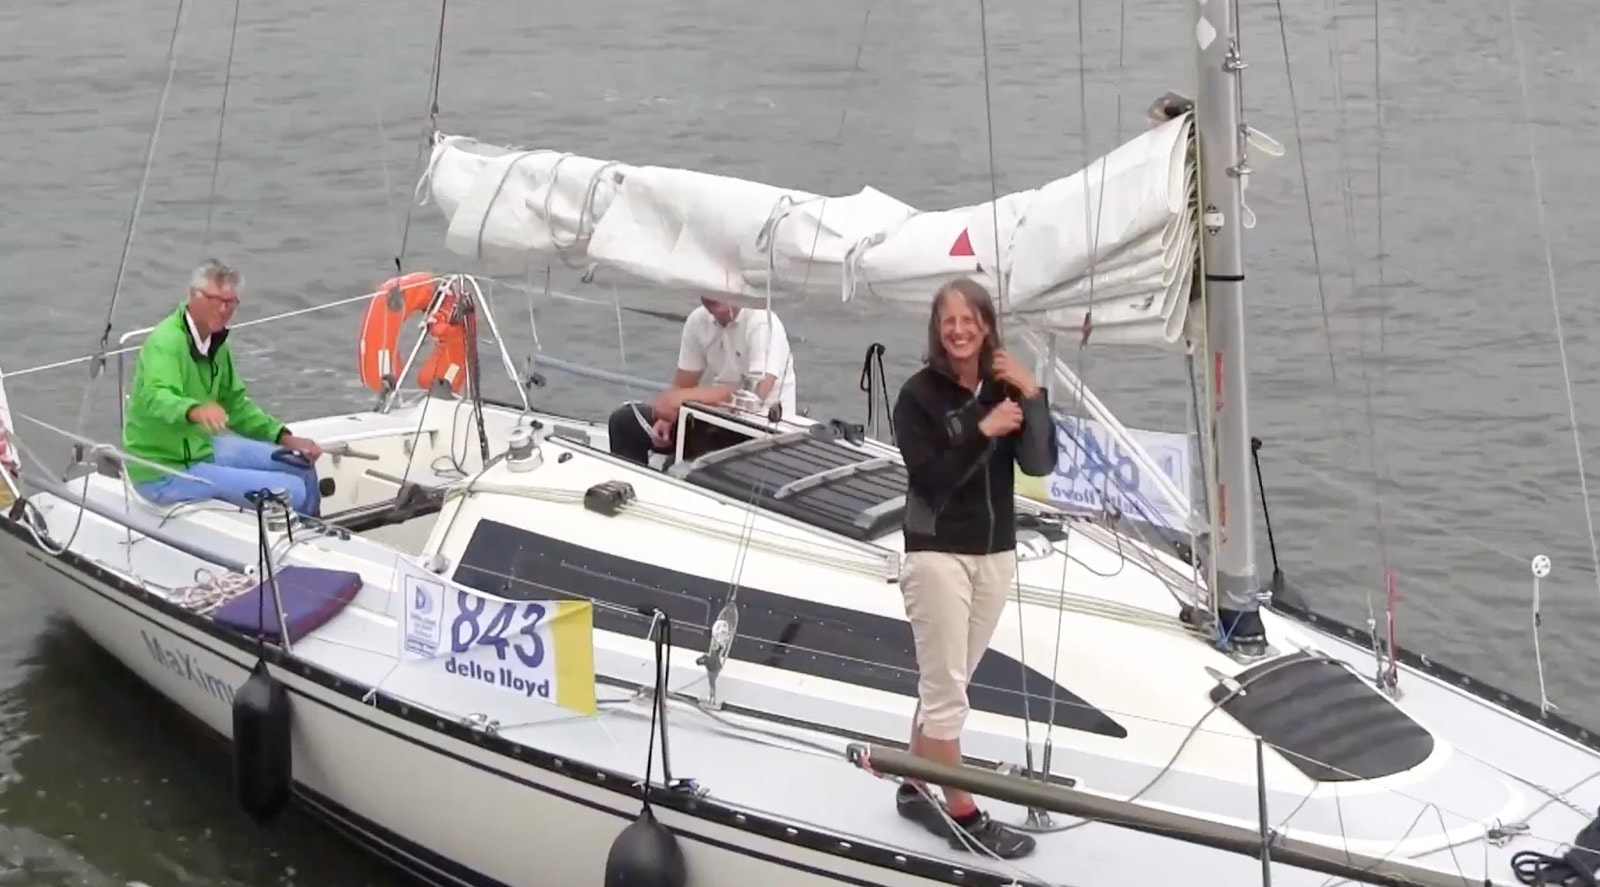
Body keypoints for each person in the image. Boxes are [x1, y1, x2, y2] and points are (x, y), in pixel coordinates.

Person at [889, 277, 1058, 859]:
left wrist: (1032, 396)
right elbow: (929, 479)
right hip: (938, 553)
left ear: (986, 326)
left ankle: (914, 782)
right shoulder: (918, 396)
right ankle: (963, 813)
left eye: (969, 320)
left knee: (950, 679)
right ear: (937, 331)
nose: (958, 331)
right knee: (946, 693)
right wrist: (982, 430)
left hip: (995, 552)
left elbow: (1039, 463)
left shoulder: (1005, 387)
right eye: (949, 322)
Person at [121, 259, 325, 516]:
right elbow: (156, 396)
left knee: (300, 465)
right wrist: (195, 410)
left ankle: (316, 534)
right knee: (293, 490)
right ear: (193, 296)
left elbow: (236, 406)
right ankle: (297, 535)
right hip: (164, 469)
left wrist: (284, 437)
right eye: (215, 300)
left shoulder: (217, 345)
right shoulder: (166, 342)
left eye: (230, 302)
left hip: (200, 447)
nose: (223, 310)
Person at [606, 295, 799, 466]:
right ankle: (628, 486)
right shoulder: (698, 321)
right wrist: (666, 418)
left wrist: (683, 397)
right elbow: (683, 384)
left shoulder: (762, 322)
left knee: (681, 465)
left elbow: (755, 394)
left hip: (761, 430)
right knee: (625, 422)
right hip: (713, 420)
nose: (715, 295)